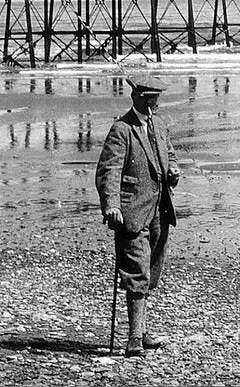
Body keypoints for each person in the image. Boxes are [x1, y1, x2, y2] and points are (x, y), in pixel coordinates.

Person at [95, 74, 181, 358]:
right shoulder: (121, 129)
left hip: (159, 209)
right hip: (131, 211)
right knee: (136, 271)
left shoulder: (159, 124)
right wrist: (111, 204)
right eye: (150, 99)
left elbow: (169, 156)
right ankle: (134, 338)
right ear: (137, 98)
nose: (155, 103)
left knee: (152, 269)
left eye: (157, 98)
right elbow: (108, 170)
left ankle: (142, 331)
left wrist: (174, 173)